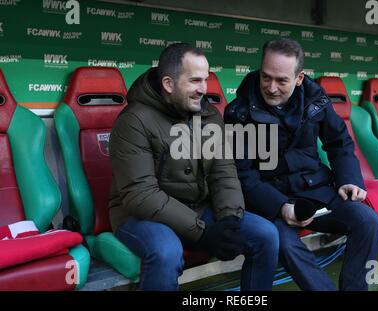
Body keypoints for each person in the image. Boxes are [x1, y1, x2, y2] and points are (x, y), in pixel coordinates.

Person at [108, 43, 279, 291]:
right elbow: (140, 195)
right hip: (138, 217)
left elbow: (223, 171)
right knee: (166, 251)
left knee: (265, 234)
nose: (204, 89)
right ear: (168, 84)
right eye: (195, 81)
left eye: (206, 80)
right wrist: (204, 233)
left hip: (197, 209)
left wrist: (230, 218)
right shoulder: (133, 120)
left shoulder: (208, 115)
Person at [224, 38, 378, 291]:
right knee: (283, 243)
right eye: (266, 77)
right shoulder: (239, 112)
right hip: (270, 200)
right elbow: (242, 175)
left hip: (316, 191)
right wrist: (279, 207)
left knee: (368, 221)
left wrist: (349, 180)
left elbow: (339, 142)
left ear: (299, 78)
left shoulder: (315, 99)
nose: (271, 87)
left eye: (282, 80)